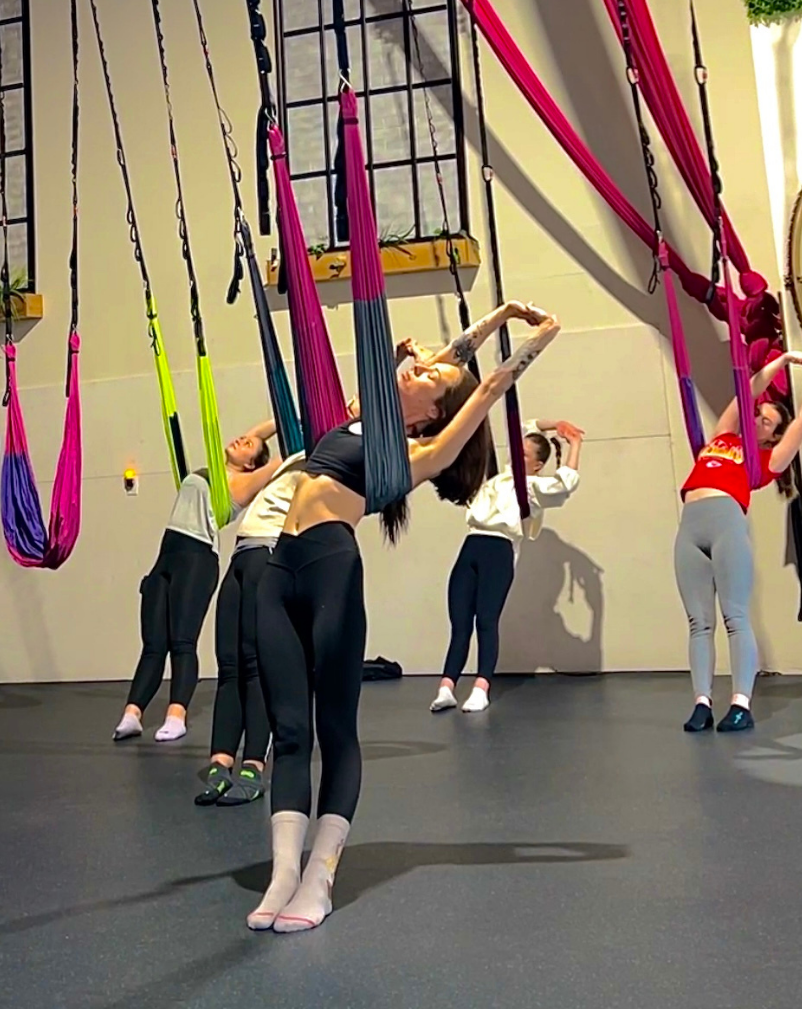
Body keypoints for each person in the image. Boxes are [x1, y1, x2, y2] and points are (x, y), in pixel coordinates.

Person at [248, 306, 560, 933]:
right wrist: (494, 314)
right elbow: (456, 360)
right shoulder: (367, 419)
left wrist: (540, 334)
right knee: (287, 730)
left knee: (334, 729)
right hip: (277, 571)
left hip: (330, 568)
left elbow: (486, 384)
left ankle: (320, 876)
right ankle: (283, 872)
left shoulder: (420, 452)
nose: (422, 368)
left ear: (432, 414)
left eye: (430, 378)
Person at [677, 351, 802, 734]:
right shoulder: (723, 437)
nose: (758, 418)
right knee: (699, 622)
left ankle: (741, 704)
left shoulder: (768, 460)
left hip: (727, 525)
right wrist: (783, 361)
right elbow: (748, 391)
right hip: (690, 526)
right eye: (758, 414)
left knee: (735, 617)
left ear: (772, 434)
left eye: (767, 421)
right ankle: (701, 703)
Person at [113, 423, 281, 743]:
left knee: (182, 642)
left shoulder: (244, 482)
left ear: (250, 464)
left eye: (249, 445)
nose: (242, 439)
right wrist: (274, 414)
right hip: (167, 555)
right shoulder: (215, 470)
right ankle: (132, 713)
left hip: (197, 559)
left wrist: (293, 410)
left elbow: (277, 461)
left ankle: (177, 715)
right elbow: (258, 430)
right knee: (153, 644)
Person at [431, 418, 584, 714]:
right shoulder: (497, 477)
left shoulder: (532, 487)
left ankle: (481, 687)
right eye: (517, 451)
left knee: (486, 621)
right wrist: (556, 424)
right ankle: (446, 687)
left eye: (524, 455)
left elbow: (566, 482)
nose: (516, 457)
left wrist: (574, 443)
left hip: (498, 550)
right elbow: (524, 423)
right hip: (471, 546)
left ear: (537, 465)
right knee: (460, 624)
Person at [195, 450, 307, 807]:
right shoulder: (280, 464)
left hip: (269, 554)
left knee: (255, 664)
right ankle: (220, 762)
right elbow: (256, 440)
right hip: (240, 558)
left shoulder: (317, 453)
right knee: (229, 665)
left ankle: (254, 766)